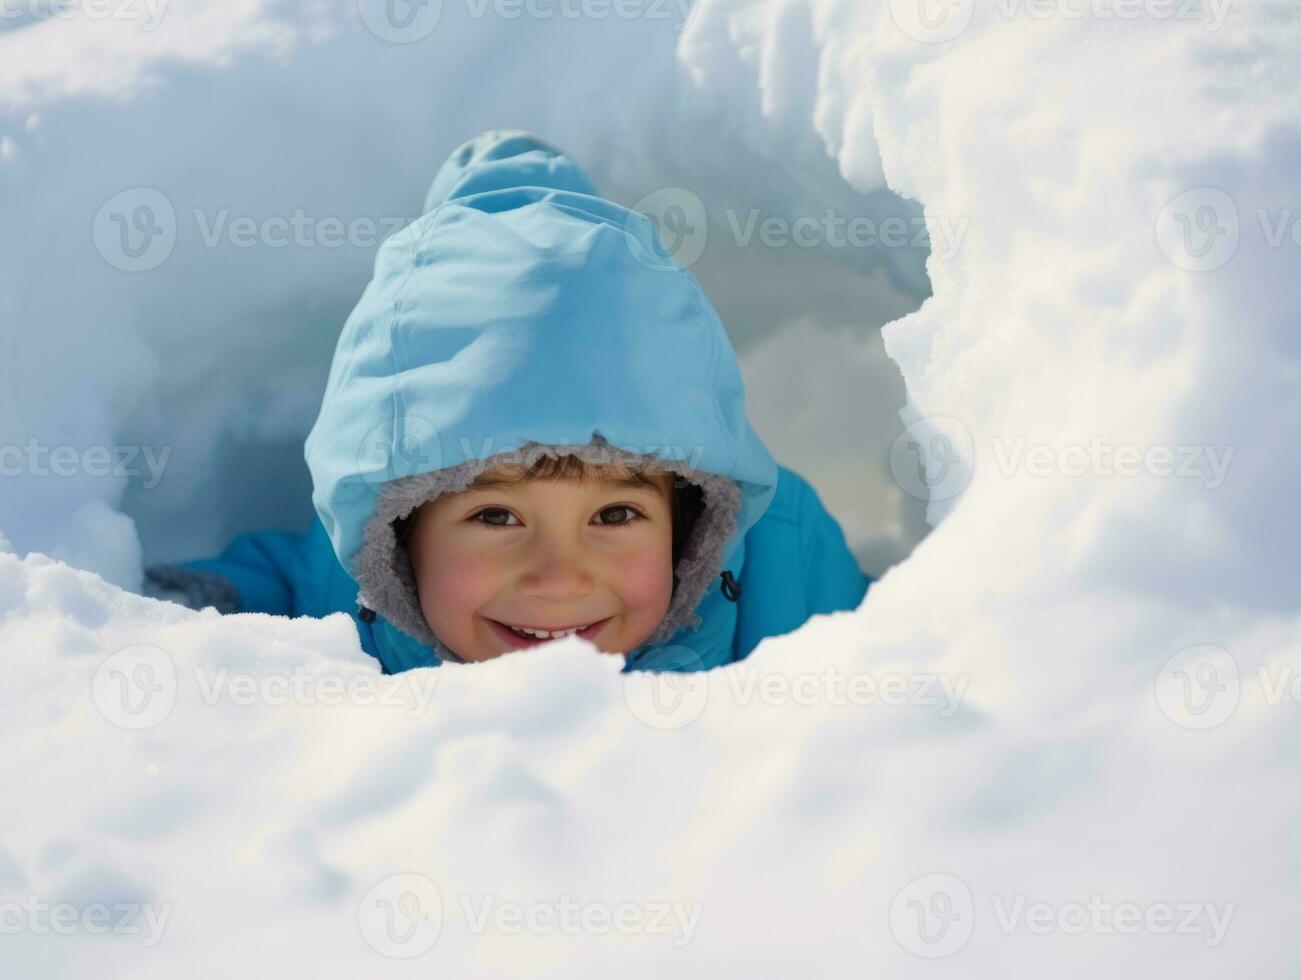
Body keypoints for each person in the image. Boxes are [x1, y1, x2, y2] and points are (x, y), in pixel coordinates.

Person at [143, 128, 871, 674]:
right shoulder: (347, 582)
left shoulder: (780, 549)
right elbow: (278, 575)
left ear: (690, 519)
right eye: (495, 514)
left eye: (616, 514)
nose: (558, 579)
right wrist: (196, 606)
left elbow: (896, 640)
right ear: (397, 536)